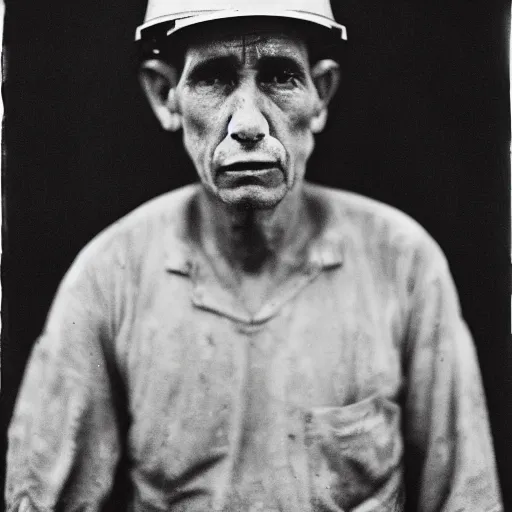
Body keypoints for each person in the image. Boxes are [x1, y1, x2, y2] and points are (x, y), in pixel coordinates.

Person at [5, 0, 503, 511]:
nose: (247, 124)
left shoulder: (403, 263)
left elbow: (467, 497)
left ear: (321, 95)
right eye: (215, 79)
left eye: (280, 76)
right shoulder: (111, 275)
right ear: (164, 96)